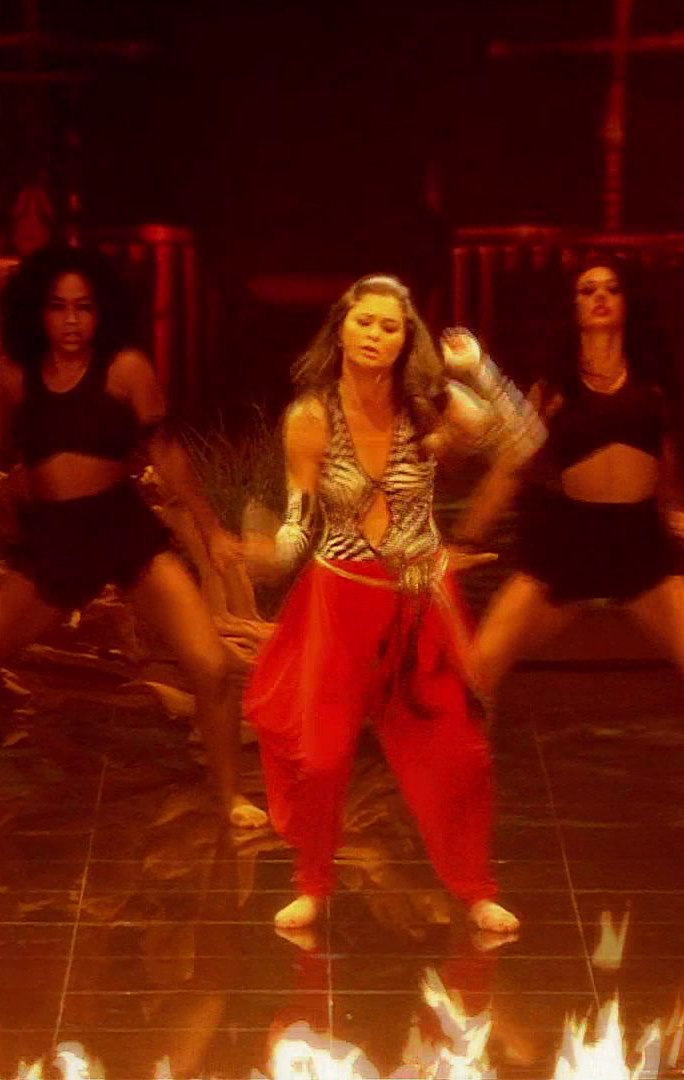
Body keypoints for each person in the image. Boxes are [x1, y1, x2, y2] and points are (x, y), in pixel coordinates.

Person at [0, 246, 264, 830]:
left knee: (211, 667)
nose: (72, 320)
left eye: (84, 307)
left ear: (102, 312)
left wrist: (213, 532)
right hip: (53, 544)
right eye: (58, 307)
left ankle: (230, 799)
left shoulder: (126, 369)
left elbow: (168, 453)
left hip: (123, 532)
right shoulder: (14, 377)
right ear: (36, 312)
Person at [243, 274, 540, 934]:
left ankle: (475, 888)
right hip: (338, 602)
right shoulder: (311, 417)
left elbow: (524, 444)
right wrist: (272, 553)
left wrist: (480, 369)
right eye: (364, 322)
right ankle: (313, 883)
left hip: (418, 602)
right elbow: (299, 519)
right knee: (320, 759)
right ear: (340, 330)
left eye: (390, 326)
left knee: (461, 757)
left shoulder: (428, 407)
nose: (375, 335)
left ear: (408, 340)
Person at [448, 262, 684, 826]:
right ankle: (468, 787)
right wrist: (467, 536)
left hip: (639, 547)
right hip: (567, 544)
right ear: (573, 307)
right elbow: (512, 468)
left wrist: (674, 512)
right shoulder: (553, 390)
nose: (600, 297)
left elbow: (661, 455)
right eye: (587, 290)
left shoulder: (651, 383)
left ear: (626, 302)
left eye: (611, 289)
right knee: (479, 671)